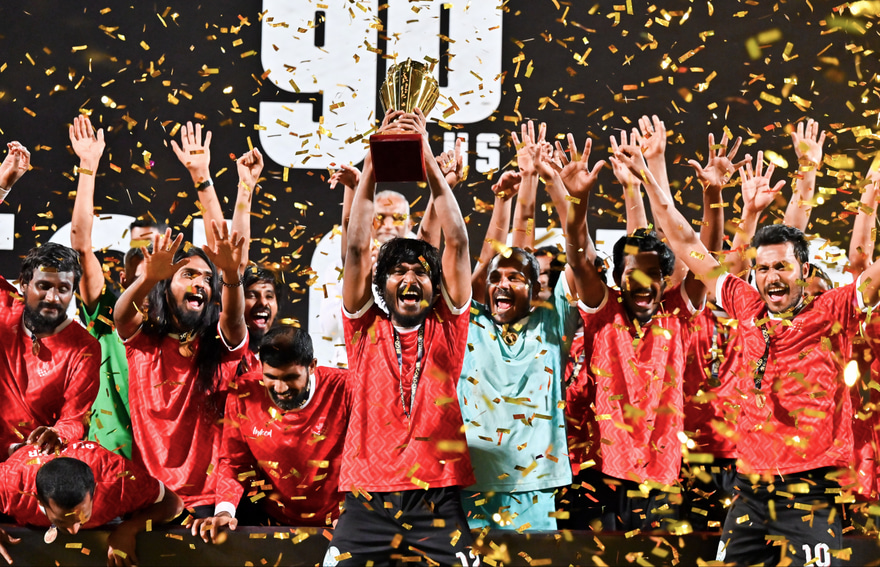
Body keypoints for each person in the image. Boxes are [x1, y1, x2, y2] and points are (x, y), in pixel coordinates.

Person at [614, 132, 880, 566]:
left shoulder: (834, 309)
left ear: (804, 269)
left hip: (809, 493)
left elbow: (871, 271)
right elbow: (685, 241)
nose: (772, 277)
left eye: (782, 267)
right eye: (764, 268)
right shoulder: (745, 302)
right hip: (750, 492)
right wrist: (647, 177)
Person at [324, 108, 478, 566]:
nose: (410, 279)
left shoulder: (447, 325)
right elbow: (356, 248)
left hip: (436, 498)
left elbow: (458, 242)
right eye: (398, 271)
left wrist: (424, 153)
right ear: (382, 283)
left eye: (420, 272)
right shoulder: (364, 326)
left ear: (435, 285)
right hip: (367, 498)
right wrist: (375, 159)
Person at [455, 121, 574, 530]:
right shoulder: (471, 324)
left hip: (534, 490)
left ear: (537, 289)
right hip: (472, 487)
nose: (502, 284)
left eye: (515, 279)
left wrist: (538, 181)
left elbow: (531, 252)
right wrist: (506, 199)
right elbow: (494, 264)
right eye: (496, 279)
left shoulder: (552, 323)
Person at [113, 222, 248, 516]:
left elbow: (235, 319)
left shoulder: (221, 345)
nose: (200, 283)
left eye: (207, 279)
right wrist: (148, 277)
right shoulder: (143, 342)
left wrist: (231, 274)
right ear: (165, 287)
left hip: (206, 505)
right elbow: (121, 316)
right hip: (150, 499)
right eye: (189, 275)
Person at [189, 326, 349, 541]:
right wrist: (224, 512)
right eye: (271, 377)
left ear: (312, 366)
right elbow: (235, 463)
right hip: (272, 523)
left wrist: (356, 513)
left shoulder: (346, 388)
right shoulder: (244, 392)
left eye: (291, 377)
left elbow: (366, 459)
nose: (280, 388)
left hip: (339, 523)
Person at [0, 198, 100, 458]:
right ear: (24, 284)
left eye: (63, 289)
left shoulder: (85, 348)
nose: (53, 298)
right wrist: (2, 187)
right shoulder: (4, 305)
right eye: (44, 286)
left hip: (35, 462)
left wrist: (58, 434)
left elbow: (75, 418)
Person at [68, 113, 137, 459]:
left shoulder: (179, 331)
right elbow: (81, 246)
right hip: (107, 466)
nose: (149, 282)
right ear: (123, 280)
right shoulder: (107, 315)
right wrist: (88, 166)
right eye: (141, 275)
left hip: (168, 473)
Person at [0, 440, 183, 567]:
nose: (74, 531)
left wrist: (130, 528)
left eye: (83, 516)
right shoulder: (10, 483)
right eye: (62, 521)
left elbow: (173, 502)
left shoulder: (117, 478)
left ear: (95, 490)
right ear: (37, 499)